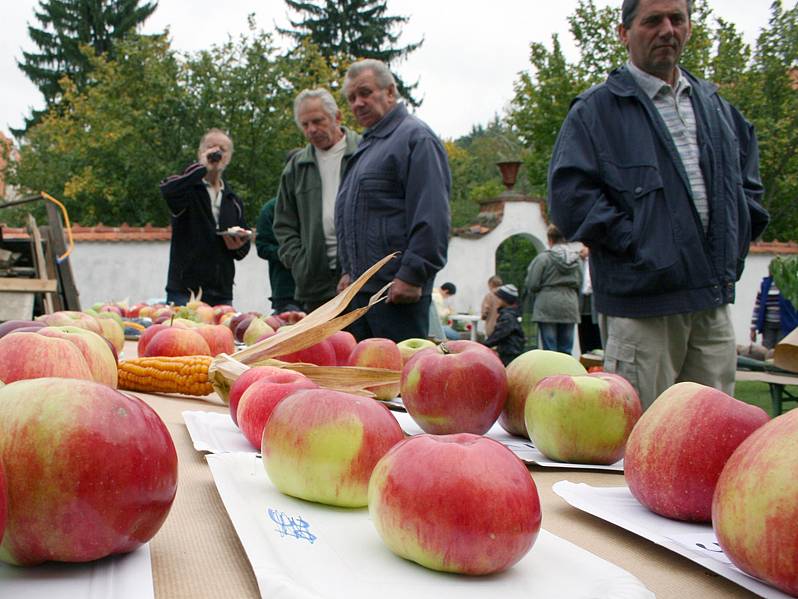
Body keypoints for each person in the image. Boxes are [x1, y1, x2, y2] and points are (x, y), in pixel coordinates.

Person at [547, 0, 769, 409]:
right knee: (638, 441)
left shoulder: (716, 106)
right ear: (624, 33)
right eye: (652, 21)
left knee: (714, 443)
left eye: (677, 19)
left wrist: (733, 243)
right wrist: (643, 246)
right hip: (642, 305)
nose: (667, 29)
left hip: (712, 305)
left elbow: (749, 188)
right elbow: (570, 199)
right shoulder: (595, 112)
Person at [335, 59, 451, 342]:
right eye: (351, 98)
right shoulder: (368, 146)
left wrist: (413, 275)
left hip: (396, 296)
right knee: (362, 384)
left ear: (390, 92)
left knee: (396, 384)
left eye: (365, 93)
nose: (357, 103)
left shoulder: (416, 138)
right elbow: (358, 218)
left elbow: (432, 215)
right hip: (362, 296)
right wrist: (349, 271)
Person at [273, 89, 361, 313]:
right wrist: (301, 263)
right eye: (305, 124)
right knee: (322, 348)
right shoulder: (296, 167)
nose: (311, 129)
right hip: (315, 284)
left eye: (318, 121)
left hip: (361, 280)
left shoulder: (364, 152)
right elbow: (283, 224)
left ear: (337, 117)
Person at [159, 128, 251, 307]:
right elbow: (168, 191)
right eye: (210, 148)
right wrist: (201, 168)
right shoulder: (187, 191)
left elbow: (243, 248)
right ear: (200, 153)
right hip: (184, 292)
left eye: (222, 150)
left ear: (229, 157)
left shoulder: (233, 200)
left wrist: (239, 245)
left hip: (221, 293)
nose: (216, 153)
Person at [524, 225, 582, 354]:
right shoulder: (576, 259)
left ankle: (552, 372)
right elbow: (581, 282)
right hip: (570, 303)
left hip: (547, 304)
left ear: (550, 239)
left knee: (550, 348)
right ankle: (567, 372)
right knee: (566, 347)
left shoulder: (543, 258)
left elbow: (532, 283)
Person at [255, 197, 302, 314]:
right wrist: (289, 254)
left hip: (320, 289)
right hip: (286, 291)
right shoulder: (271, 209)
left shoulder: (315, 204)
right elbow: (262, 247)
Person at [750, 260, 798, 350]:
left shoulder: (790, 284)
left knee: (780, 351)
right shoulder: (765, 285)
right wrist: (753, 328)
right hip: (768, 325)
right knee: (766, 350)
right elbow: (758, 306)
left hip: (785, 325)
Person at [483, 284, 525, 366]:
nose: (496, 300)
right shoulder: (509, 314)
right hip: (509, 351)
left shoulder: (508, 317)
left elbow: (499, 334)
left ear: (505, 300)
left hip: (510, 353)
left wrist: (484, 345)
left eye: (498, 298)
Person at [577, 246, 602, 353]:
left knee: (597, 336)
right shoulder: (579, 260)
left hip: (597, 304)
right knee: (584, 335)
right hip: (582, 304)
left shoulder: (599, 256)